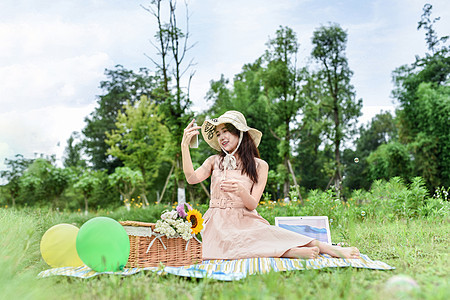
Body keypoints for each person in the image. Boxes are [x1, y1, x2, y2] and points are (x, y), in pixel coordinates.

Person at [181, 110, 360, 260]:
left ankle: (331, 249)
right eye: (218, 134)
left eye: (226, 131)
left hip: (245, 219)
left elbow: (252, 205)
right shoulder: (213, 161)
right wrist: (184, 146)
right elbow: (191, 178)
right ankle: (291, 252)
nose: (221, 137)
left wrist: (242, 191)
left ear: (240, 132)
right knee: (231, 247)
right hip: (218, 222)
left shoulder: (260, 165)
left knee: (273, 234)